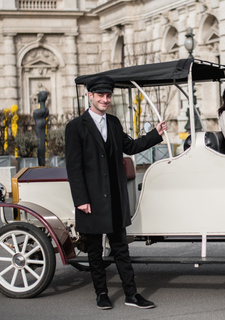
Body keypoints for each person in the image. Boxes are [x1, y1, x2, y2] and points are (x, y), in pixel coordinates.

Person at [65, 75, 167, 310]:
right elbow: (74, 167)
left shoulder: (114, 123)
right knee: (95, 251)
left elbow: (130, 147)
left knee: (121, 248)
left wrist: (155, 134)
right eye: (100, 95)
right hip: (90, 200)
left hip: (113, 198)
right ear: (90, 96)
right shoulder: (75, 127)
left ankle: (131, 294)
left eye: (108, 95)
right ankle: (101, 293)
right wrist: (81, 200)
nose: (105, 99)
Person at [33, 91, 49, 166]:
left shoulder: (37, 112)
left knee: (40, 143)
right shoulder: (46, 111)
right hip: (42, 126)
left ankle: (41, 162)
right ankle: (42, 161)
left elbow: (34, 115)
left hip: (38, 127)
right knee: (42, 142)